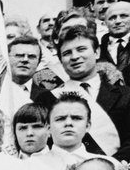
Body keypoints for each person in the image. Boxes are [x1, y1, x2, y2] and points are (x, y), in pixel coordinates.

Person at [53, 24, 130, 157]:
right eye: (67, 53)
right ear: (60, 60)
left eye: (81, 49)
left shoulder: (126, 94)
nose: (74, 57)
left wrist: (113, 166)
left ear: (97, 52)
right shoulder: (49, 98)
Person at [100, 1, 130, 83]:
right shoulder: (97, 50)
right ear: (105, 22)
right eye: (112, 18)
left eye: (123, 16)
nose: (117, 21)